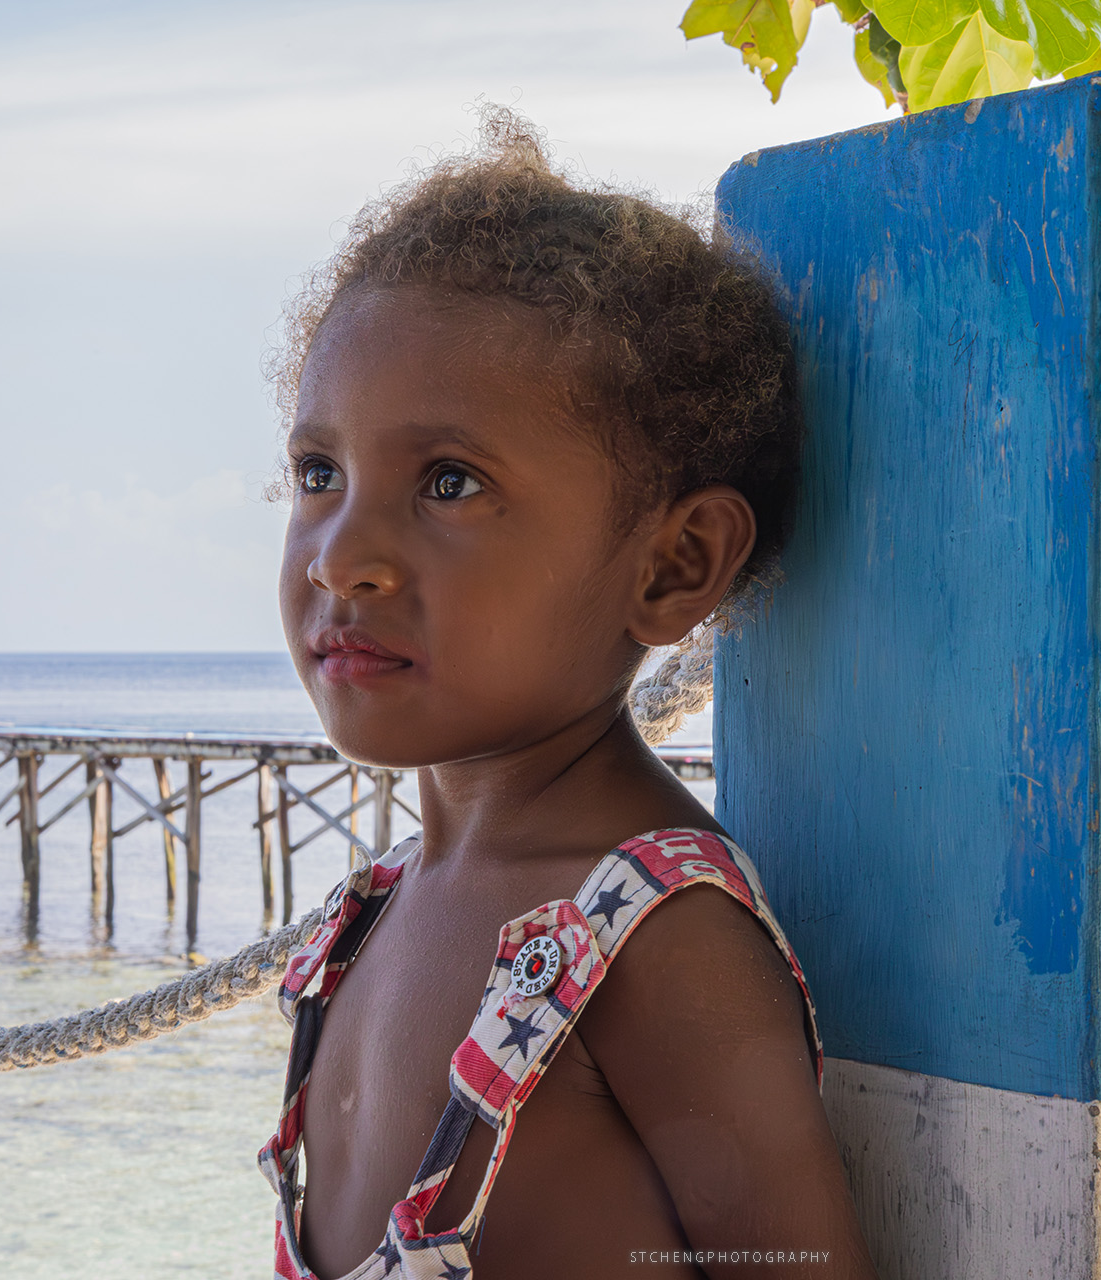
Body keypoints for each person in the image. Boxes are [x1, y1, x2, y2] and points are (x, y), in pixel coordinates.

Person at [259, 111, 877, 1280]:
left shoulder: (651, 938)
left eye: (449, 481)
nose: (343, 554)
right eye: (317, 473)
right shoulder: (375, 916)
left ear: (673, 564)